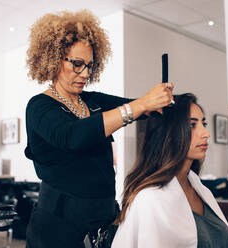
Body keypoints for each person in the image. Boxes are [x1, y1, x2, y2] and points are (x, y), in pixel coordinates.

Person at [24, 9, 174, 248]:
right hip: (57, 227)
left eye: (90, 66)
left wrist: (161, 101)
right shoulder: (39, 107)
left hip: (102, 220)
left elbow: (139, 107)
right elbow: (73, 136)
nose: (85, 74)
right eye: (77, 64)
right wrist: (141, 104)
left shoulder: (92, 101)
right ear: (53, 59)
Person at [112, 93, 228, 248]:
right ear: (168, 133)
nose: (206, 134)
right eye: (192, 125)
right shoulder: (149, 199)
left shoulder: (201, 191)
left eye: (203, 124)